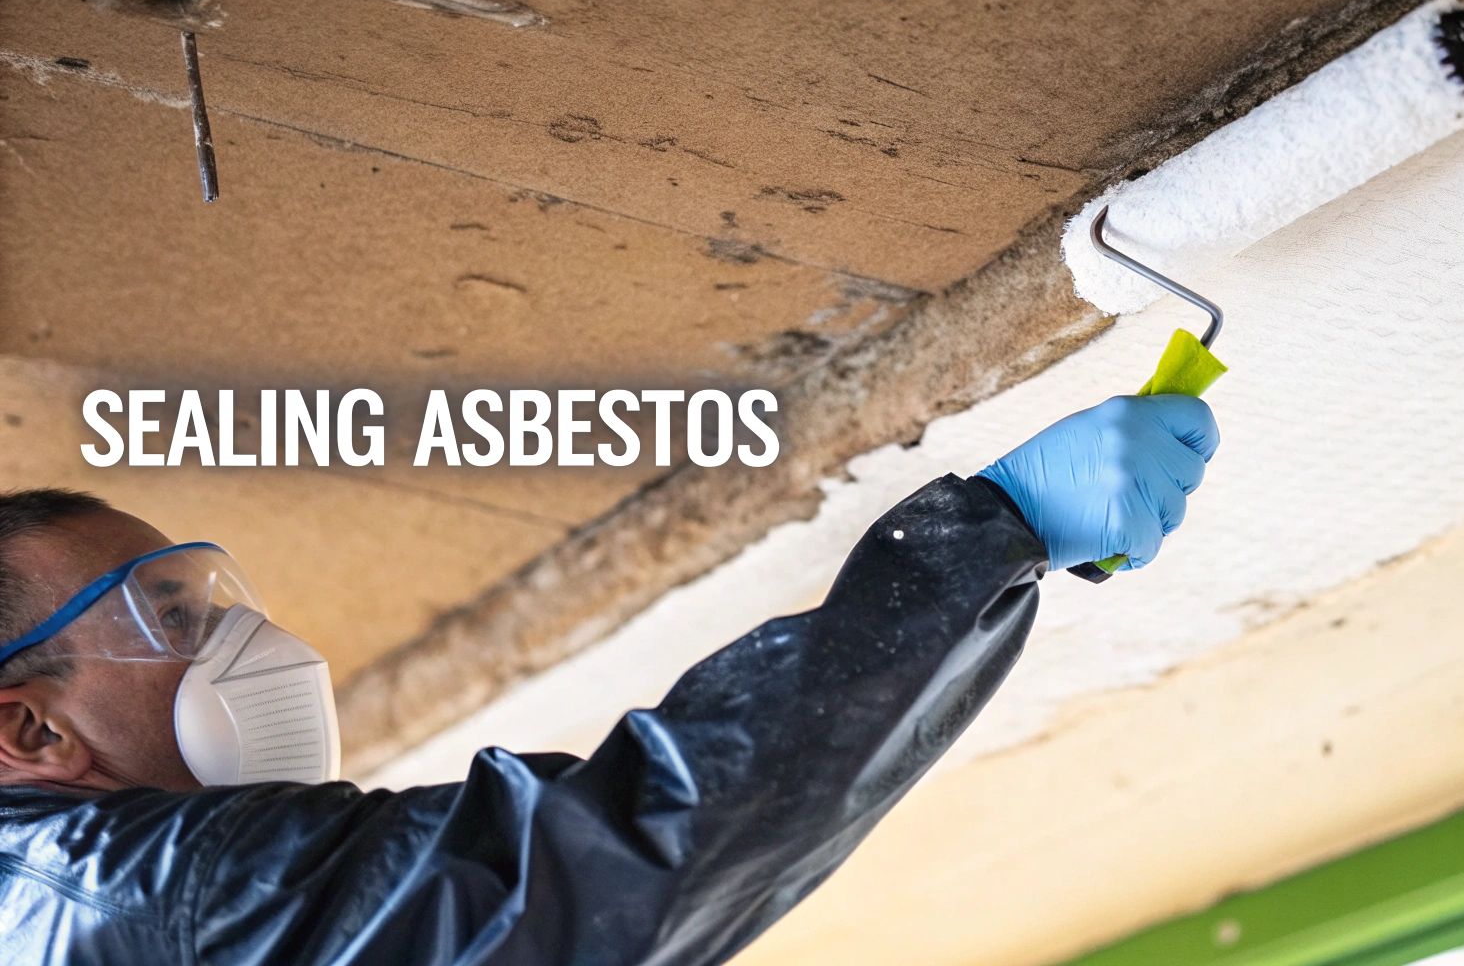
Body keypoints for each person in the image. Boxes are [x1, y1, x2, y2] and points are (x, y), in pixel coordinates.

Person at [0, 394, 1217, 965]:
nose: (230, 638)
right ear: (28, 724)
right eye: (163, 618)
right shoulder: (135, 892)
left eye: (209, 595)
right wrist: (984, 534)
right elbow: (633, 848)